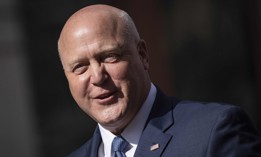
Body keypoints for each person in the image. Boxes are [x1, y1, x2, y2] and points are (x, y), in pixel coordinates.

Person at [57, 4, 261, 157]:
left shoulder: (213, 132)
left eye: (109, 56)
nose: (98, 77)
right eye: (80, 67)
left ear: (143, 55)